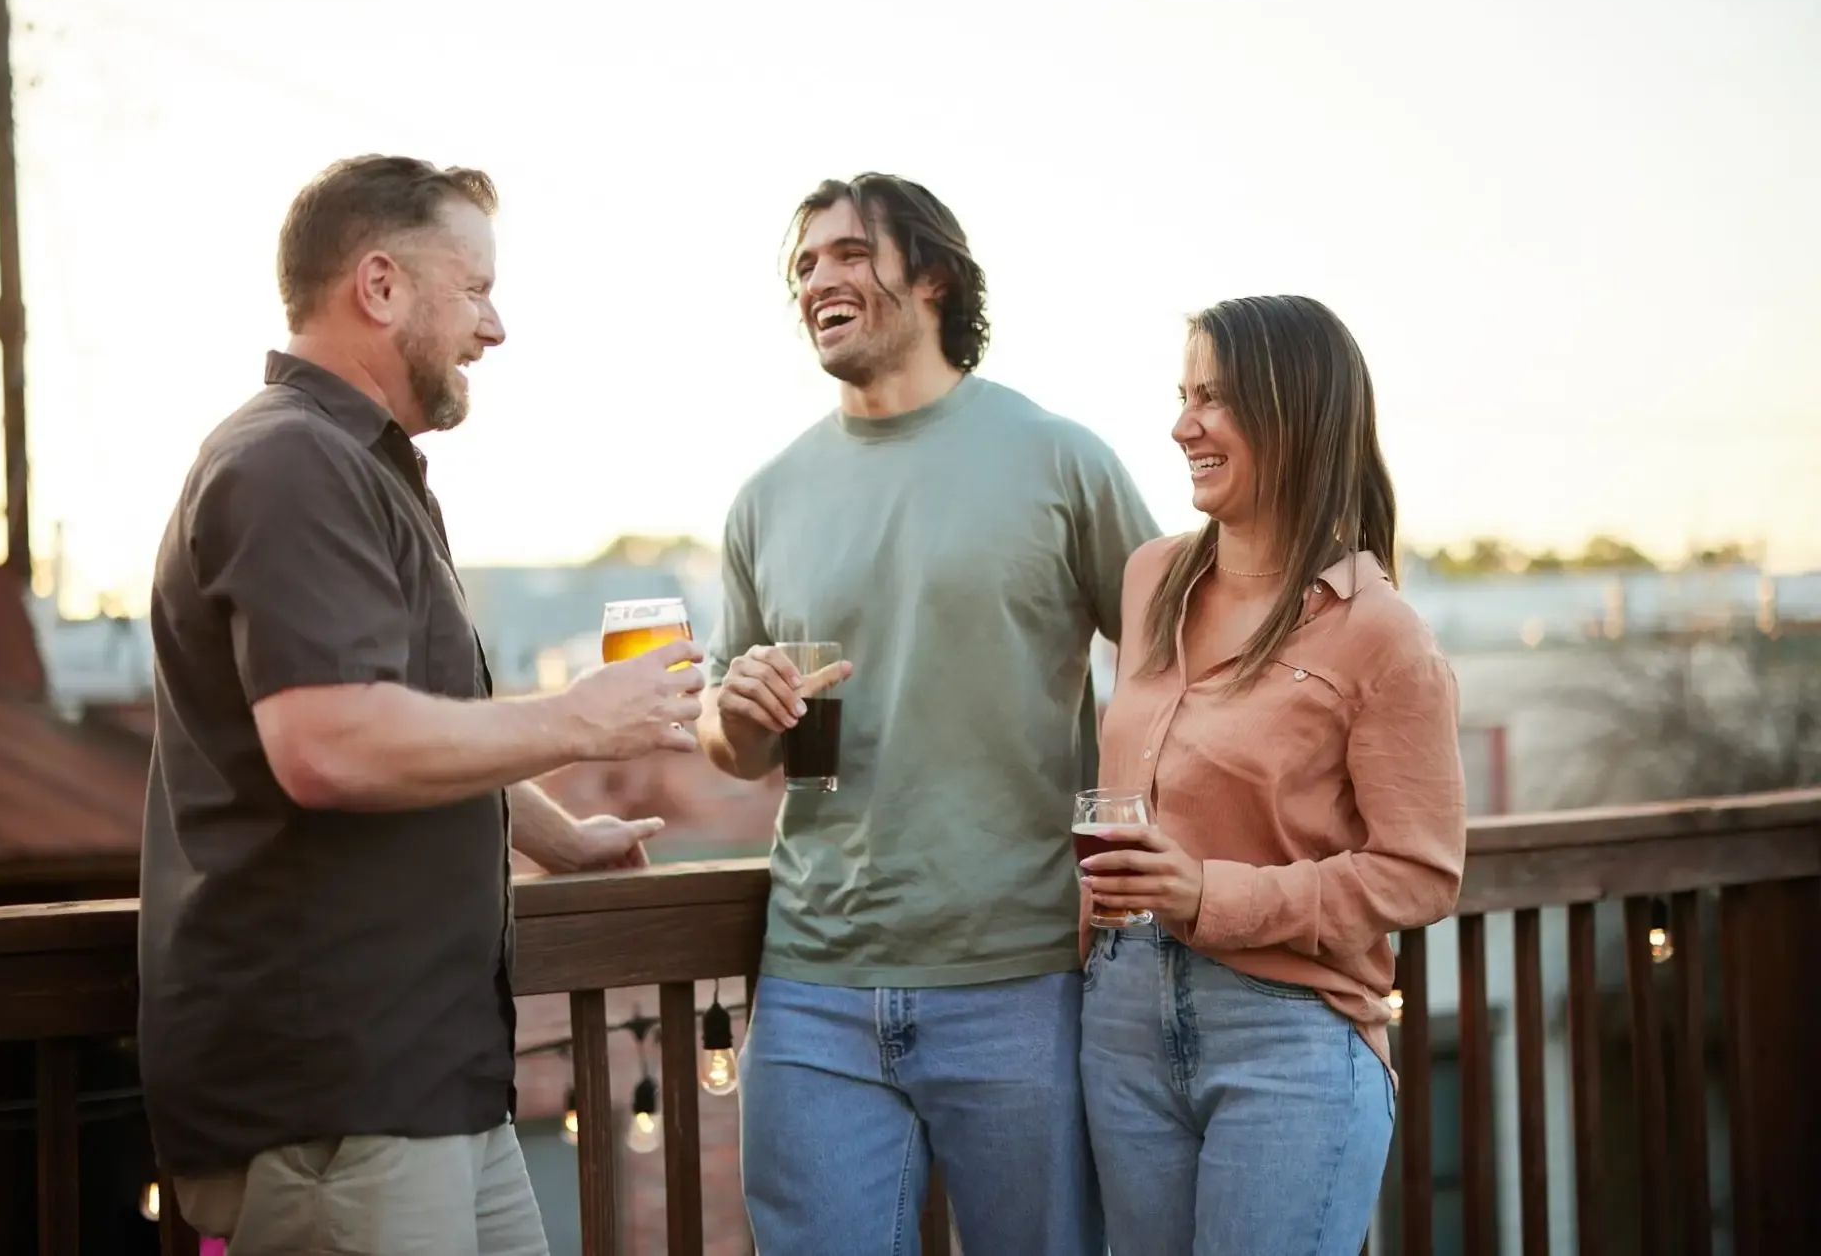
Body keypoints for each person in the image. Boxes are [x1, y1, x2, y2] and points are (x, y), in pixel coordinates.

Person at [139, 154, 706, 1256]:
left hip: (423, 1079)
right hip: (338, 1093)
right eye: (477, 288)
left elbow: (410, 719)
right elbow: (326, 746)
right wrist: (580, 717)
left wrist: (554, 834)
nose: (495, 327)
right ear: (381, 285)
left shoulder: (361, 468)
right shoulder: (289, 463)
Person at [699, 172, 1160, 1256]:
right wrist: (739, 710)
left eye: (850, 253)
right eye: (804, 264)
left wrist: (1141, 850)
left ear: (934, 276)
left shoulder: (1057, 458)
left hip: (1021, 971)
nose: (820, 278)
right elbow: (728, 747)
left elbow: (1171, 661)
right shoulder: (764, 497)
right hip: (811, 979)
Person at [1075, 294, 1467, 1256]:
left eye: (1213, 398)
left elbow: (1421, 873)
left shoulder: (1381, 634)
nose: (1182, 426)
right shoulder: (1149, 579)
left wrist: (1211, 891)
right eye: (1182, 396)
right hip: (1119, 1018)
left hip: (1286, 1039)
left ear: (1293, 413)